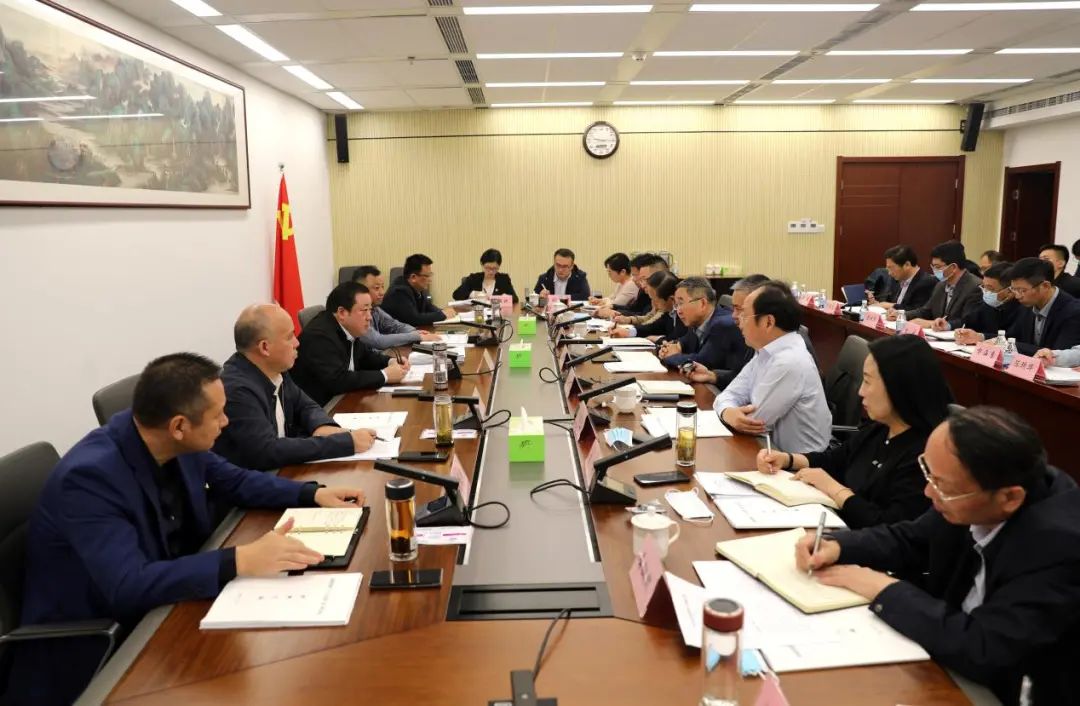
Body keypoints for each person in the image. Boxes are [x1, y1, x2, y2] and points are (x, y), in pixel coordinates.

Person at [10, 353, 366, 704]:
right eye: (218, 415)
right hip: (105, 649)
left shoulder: (172, 439)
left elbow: (236, 481)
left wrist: (312, 494)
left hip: (170, 606)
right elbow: (128, 585)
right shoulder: (89, 479)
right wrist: (240, 559)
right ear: (179, 426)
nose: (226, 422)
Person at [795, 406, 1080, 706]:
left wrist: (882, 588)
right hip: (947, 662)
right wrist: (838, 545)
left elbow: (984, 649)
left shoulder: (1059, 547)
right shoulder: (974, 493)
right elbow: (913, 538)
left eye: (942, 485)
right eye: (928, 473)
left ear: (1010, 498)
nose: (929, 493)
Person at [756, 335, 951, 528]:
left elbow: (889, 526)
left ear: (898, 386)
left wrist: (835, 489)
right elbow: (836, 460)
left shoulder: (926, 454)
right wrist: (787, 459)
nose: (861, 392)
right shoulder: (882, 428)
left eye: (868, 381)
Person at [213, 304, 378, 470]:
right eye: (289, 336)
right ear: (265, 347)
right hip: (260, 478)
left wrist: (322, 425)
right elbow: (267, 451)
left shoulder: (275, 368)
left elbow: (305, 405)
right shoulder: (237, 390)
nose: (297, 342)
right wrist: (345, 443)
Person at [711, 281, 831, 452]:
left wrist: (728, 411)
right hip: (768, 451)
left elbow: (753, 422)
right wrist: (727, 412)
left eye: (745, 316)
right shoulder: (766, 351)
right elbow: (730, 394)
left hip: (799, 462)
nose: (739, 322)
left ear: (768, 322)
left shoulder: (790, 362)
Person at [292, 282, 409, 406]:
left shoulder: (348, 328)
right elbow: (337, 380)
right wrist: (384, 375)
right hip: (323, 407)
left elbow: (365, 357)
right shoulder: (319, 336)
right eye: (364, 310)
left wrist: (390, 361)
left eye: (370, 310)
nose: (369, 317)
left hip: (343, 398)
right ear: (342, 312)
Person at [955, 257, 1080, 355]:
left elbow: (1056, 353)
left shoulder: (1073, 311)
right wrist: (979, 337)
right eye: (1014, 289)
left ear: (1045, 286)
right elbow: (1012, 337)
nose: (1017, 295)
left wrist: (1007, 345)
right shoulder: (1028, 304)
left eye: (1022, 290)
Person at [659, 277, 748, 385]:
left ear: (702, 303)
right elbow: (686, 340)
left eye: (681, 303)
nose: (678, 311)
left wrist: (669, 356)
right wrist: (676, 346)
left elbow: (702, 362)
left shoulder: (723, 325)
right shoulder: (696, 320)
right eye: (676, 305)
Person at [895, 240, 982, 332]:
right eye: (933, 266)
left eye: (938, 267)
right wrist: (902, 315)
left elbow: (968, 322)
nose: (934, 271)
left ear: (953, 267)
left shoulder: (975, 287)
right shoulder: (941, 284)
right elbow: (926, 310)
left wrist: (935, 324)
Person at [352, 265, 441, 350]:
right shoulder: (356, 314)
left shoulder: (375, 309)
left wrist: (415, 331)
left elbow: (395, 325)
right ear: (360, 290)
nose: (382, 292)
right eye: (376, 288)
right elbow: (378, 341)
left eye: (382, 287)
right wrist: (415, 336)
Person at [381, 253, 457, 327]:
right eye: (427, 276)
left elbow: (429, 307)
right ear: (413, 277)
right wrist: (442, 314)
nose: (430, 280)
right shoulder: (399, 291)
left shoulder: (418, 288)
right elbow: (414, 319)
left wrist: (444, 312)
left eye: (430, 275)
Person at [953, 261, 1021, 342]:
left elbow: (1014, 338)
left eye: (990, 289)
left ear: (1010, 291)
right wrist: (948, 325)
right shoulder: (987, 305)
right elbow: (968, 321)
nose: (985, 292)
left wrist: (982, 337)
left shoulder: (1023, 309)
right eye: (984, 287)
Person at [609, 272, 684, 341]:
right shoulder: (669, 312)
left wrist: (659, 340)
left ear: (671, 299)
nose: (653, 304)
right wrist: (628, 332)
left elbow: (679, 340)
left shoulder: (682, 314)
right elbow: (654, 327)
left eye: (655, 299)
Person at [869, 245, 935, 312]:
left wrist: (889, 305)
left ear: (907, 265)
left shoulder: (926, 282)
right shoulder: (899, 279)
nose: (889, 273)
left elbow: (918, 310)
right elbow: (892, 302)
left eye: (891, 268)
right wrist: (878, 304)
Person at [599, 253, 666, 319]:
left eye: (635, 275)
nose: (633, 279)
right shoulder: (643, 290)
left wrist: (615, 313)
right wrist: (613, 307)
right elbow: (634, 309)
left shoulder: (663, 293)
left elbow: (644, 316)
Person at [452, 248, 519, 302]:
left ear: (499, 266)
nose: (491, 272)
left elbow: (515, 299)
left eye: (495, 268)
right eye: (488, 268)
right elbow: (456, 295)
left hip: (497, 313)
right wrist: (473, 294)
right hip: (477, 313)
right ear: (482, 264)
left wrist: (500, 298)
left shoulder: (504, 279)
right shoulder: (474, 278)